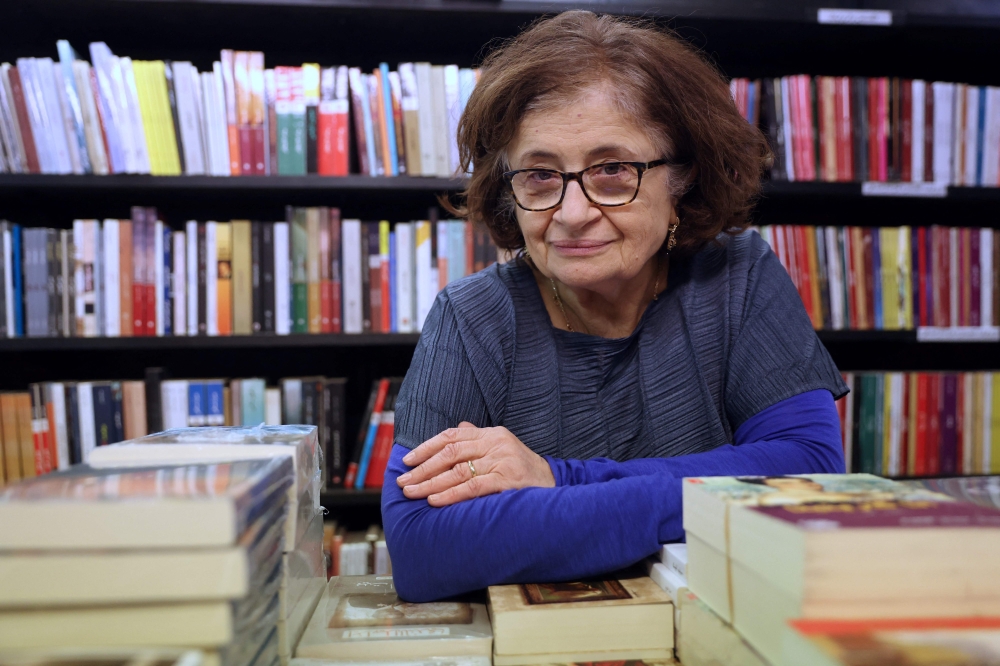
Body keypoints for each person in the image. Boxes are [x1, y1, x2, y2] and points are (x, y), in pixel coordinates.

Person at [381, 10, 848, 602]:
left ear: (683, 179)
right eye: (541, 175)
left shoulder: (738, 277)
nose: (572, 213)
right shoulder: (471, 318)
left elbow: (810, 477)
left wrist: (556, 481)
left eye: (612, 170)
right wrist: (712, 491)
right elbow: (424, 549)